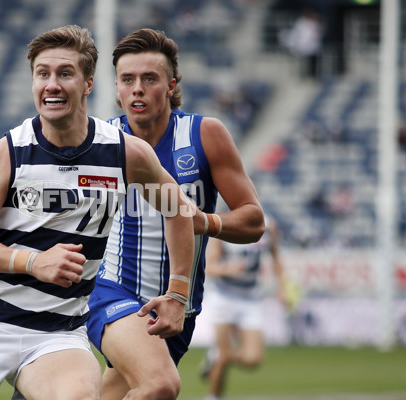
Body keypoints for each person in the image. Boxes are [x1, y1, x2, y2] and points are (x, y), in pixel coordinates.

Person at [0, 25, 195, 400]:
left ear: (88, 83)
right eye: (42, 74)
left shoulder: (125, 153)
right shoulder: (6, 154)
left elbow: (178, 211)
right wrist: (32, 261)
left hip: (58, 335)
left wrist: (178, 292)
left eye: (65, 74)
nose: (52, 84)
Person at [86, 28, 265, 400]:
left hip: (179, 306)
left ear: (171, 85)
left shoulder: (205, 136)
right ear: (116, 88)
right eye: (127, 79)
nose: (137, 88)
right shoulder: (101, 142)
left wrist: (205, 222)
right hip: (113, 291)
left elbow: (253, 221)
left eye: (149, 79)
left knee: (114, 394)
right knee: (160, 386)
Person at [200, 214, 287, 400]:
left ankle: (215, 357)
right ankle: (213, 396)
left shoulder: (269, 226)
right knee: (222, 356)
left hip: (250, 298)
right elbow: (209, 266)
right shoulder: (224, 223)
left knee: (253, 359)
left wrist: (282, 288)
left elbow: (276, 258)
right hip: (224, 296)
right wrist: (228, 268)